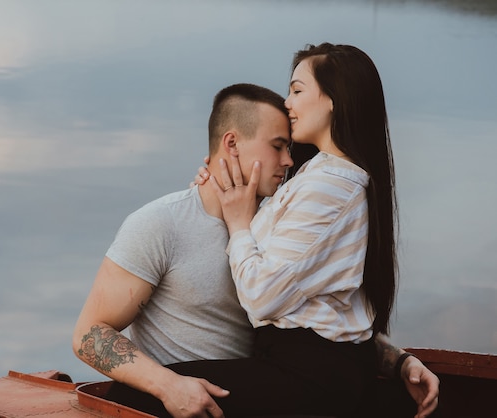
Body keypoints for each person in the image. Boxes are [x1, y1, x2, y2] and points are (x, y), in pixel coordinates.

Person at [73, 82, 438, 417]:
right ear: (231, 144)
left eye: (290, 148)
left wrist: (398, 360)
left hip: (268, 395)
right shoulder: (160, 224)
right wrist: (169, 387)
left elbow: (320, 320)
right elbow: (89, 334)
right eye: (277, 146)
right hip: (187, 403)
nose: (289, 161)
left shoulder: (278, 226)